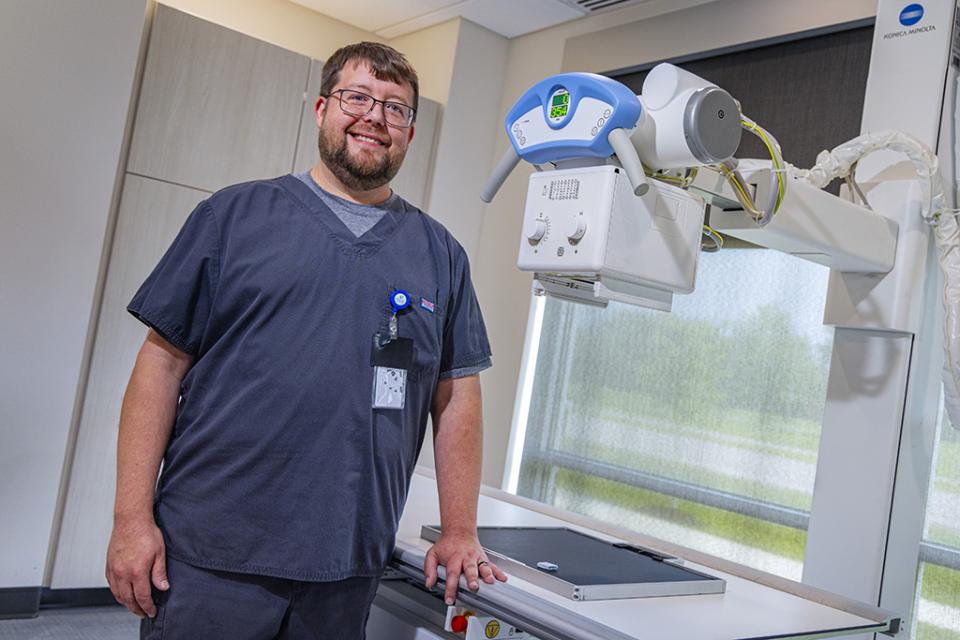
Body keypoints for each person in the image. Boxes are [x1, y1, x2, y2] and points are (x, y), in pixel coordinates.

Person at [105, 41, 506, 639]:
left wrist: (460, 529)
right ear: (321, 109)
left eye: (396, 108)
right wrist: (131, 518)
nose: (375, 116)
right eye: (357, 97)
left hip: (345, 565)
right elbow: (158, 369)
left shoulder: (440, 255)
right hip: (214, 555)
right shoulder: (233, 218)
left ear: (410, 134)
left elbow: (457, 399)